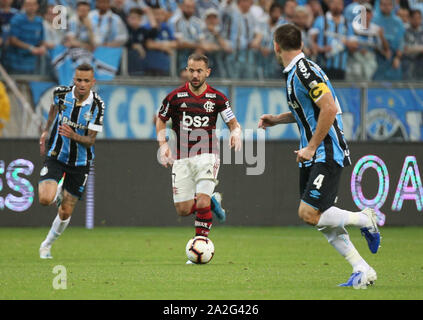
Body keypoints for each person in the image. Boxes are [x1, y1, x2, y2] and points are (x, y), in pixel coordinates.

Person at [258, 24, 381, 288]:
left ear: (276, 46)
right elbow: (308, 111)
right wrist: (278, 119)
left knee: (308, 213)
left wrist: (312, 146)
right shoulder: (296, 73)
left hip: (326, 150)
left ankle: (365, 218)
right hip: (313, 153)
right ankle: (362, 269)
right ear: (300, 43)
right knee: (322, 220)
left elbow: (329, 108)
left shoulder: (304, 71)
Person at [156, 53, 241, 264]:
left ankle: (200, 245)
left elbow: (233, 123)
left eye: (199, 71)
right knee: (183, 209)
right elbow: (160, 120)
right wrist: (163, 144)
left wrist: (235, 133)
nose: (194, 75)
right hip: (182, 158)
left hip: (208, 154)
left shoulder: (218, 98)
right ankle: (213, 201)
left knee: (201, 201)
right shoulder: (174, 97)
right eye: (191, 70)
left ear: (207, 72)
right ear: (186, 70)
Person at [38, 63, 105, 259]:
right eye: (79, 80)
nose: (82, 84)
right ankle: (57, 189)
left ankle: (46, 245)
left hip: (80, 163)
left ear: (93, 82)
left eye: (86, 81)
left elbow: (91, 140)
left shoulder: (98, 106)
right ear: (74, 79)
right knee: (44, 199)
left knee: (66, 211)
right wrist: (45, 130)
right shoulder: (60, 93)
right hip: (57, 156)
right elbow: (53, 110)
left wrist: (73, 135)